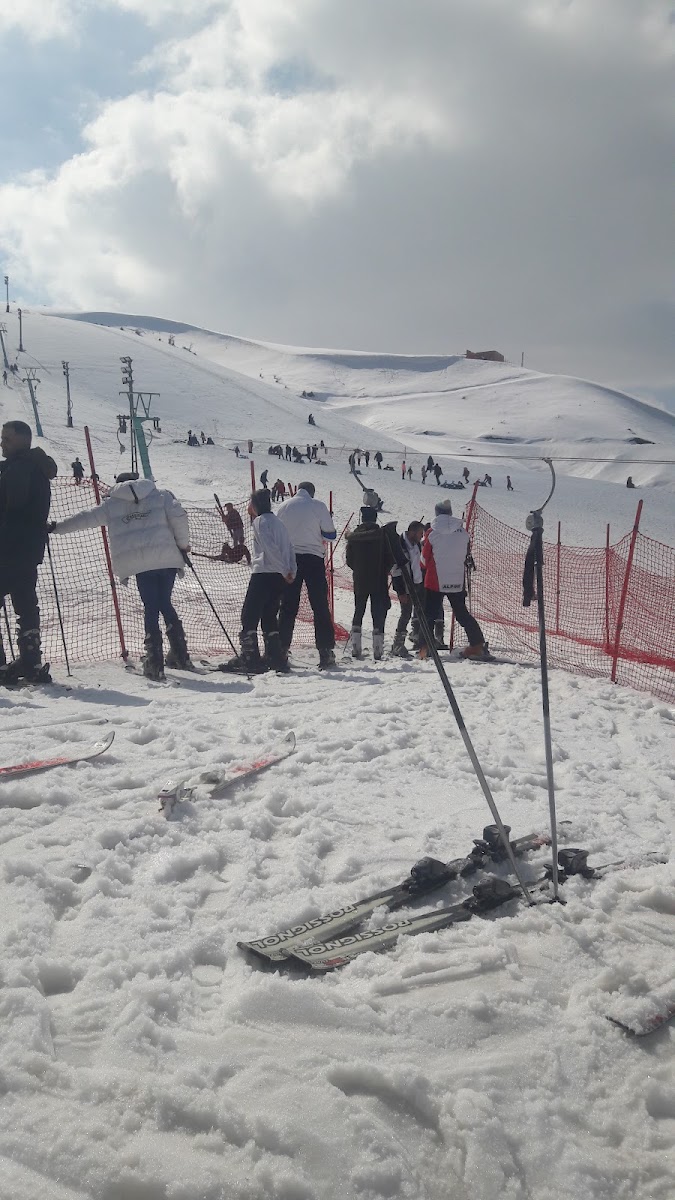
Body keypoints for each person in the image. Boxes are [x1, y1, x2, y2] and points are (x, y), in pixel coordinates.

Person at [51, 472, 193, 680]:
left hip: (139, 563)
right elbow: (179, 517)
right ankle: (180, 654)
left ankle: (154, 661)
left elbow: (86, 518)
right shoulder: (161, 495)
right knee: (164, 601)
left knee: (151, 606)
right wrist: (182, 545)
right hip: (168, 558)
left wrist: (56, 528)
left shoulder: (112, 504)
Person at [0, 421, 57, 684]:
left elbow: (12, 505)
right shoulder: (35, 467)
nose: (2, 443)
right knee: (25, 605)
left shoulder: (20, 468)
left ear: (23, 440)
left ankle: (8, 666)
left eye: (7, 439)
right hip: (27, 550)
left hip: (8, 547)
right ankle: (30, 661)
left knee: (24, 605)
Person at [220, 489, 296, 674]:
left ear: (255, 505)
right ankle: (275, 656)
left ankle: (250, 658)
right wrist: (290, 570)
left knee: (249, 614)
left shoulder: (260, 522)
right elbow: (288, 547)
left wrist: (284, 569)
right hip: (279, 577)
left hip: (264, 573)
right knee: (269, 615)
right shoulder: (278, 522)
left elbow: (269, 548)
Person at [277, 482, 337, 669]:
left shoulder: (284, 506)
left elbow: (278, 534)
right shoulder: (318, 506)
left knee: (287, 606)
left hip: (290, 559)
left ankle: (281, 649)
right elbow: (331, 535)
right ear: (312, 493)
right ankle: (325, 652)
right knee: (319, 606)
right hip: (313, 559)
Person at [420, 498, 487, 658]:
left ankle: (426, 647)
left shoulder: (431, 533)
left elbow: (423, 560)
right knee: (462, 613)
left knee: (429, 614)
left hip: (435, 580)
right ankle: (477, 644)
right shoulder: (463, 532)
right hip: (457, 580)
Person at [345, 507, 394, 660]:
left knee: (358, 609)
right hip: (378, 578)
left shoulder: (354, 537)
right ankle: (378, 649)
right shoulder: (382, 535)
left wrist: (359, 569)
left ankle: (356, 647)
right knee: (377, 612)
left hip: (360, 578)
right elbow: (390, 557)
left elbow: (349, 560)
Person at [390, 521, 425, 658]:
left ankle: (419, 640)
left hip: (417, 584)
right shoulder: (400, 545)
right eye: (420, 533)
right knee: (405, 614)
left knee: (418, 612)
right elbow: (396, 571)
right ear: (412, 532)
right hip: (405, 586)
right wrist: (401, 591)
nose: (421, 536)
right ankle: (398, 644)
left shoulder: (416, 545)